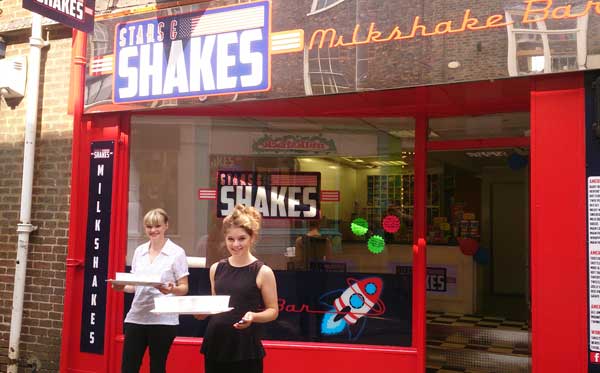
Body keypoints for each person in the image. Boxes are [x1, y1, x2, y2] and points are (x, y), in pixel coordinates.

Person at [196, 204, 278, 373]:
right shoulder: (216, 268)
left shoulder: (263, 271)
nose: (236, 244)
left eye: (242, 238)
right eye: (230, 239)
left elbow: (273, 311)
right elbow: (216, 306)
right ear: (225, 239)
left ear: (252, 238)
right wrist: (203, 312)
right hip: (216, 342)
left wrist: (253, 316)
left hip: (245, 346)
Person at [111, 208, 189, 373]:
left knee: (157, 367)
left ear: (166, 226)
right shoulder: (139, 251)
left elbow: (184, 288)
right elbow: (134, 285)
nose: (153, 230)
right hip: (136, 316)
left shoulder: (177, 252)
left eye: (157, 226)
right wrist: (121, 286)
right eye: (149, 226)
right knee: (128, 367)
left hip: (163, 319)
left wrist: (171, 289)